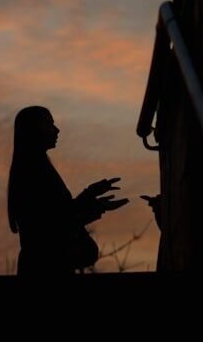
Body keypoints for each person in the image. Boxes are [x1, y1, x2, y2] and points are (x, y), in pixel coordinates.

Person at [7, 106, 128, 275]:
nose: (56, 130)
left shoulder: (35, 168)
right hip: (47, 269)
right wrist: (96, 204)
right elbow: (54, 223)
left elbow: (60, 213)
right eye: (48, 123)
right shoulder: (33, 171)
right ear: (34, 129)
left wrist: (92, 194)